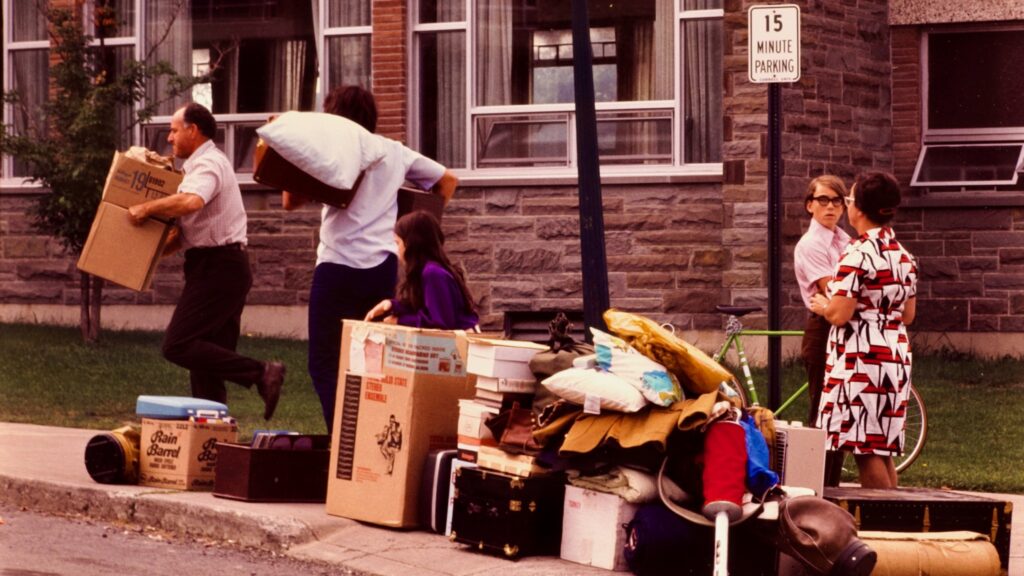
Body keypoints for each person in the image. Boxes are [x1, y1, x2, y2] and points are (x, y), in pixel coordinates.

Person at [282, 86, 458, 433]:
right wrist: (416, 227)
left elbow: (289, 201)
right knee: (371, 362)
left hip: (335, 267)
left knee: (324, 363)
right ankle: (370, 437)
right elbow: (447, 181)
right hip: (381, 268)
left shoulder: (329, 155)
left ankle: (343, 439)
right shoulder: (394, 151)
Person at [128, 102, 284, 420]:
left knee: (178, 345)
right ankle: (212, 441)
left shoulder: (208, 164)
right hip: (217, 265)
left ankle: (261, 372)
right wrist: (138, 257)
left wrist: (147, 209)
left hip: (219, 268)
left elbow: (191, 201)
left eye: (173, 130)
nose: (169, 138)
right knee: (208, 364)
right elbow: (185, 235)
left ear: (192, 130)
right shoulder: (197, 168)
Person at [811, 171, 918, 489]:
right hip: (894, 354)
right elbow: (908, 315)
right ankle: (895, 524)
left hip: (861, 359)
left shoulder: (856, 255)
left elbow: (840, 315)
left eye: (849, 199)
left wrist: (822, 306)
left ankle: (883, 524)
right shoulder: (904, 257)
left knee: (864, 449)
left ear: (858, 208)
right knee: (881, 448)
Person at [364, 210, 479, 329]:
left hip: (462, 344)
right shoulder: (430, 271)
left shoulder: (433, 273)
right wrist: (392, 305)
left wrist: (399, 320)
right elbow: (425, 307)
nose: (396, 249)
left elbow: (440, 322)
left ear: (411, 244)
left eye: (398, 243)